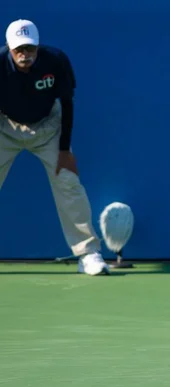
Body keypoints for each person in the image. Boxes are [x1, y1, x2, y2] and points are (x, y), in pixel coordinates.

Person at [0, 19, 109, 275]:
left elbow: (68, 104)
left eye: (30, 48)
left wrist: (63, 150)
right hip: (5, 127)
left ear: (38, 47)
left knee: (68, 183)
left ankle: (88, 253)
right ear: (9, 48)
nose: (25, 55)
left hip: (49, 126)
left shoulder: (56, 61)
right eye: (19, 50)